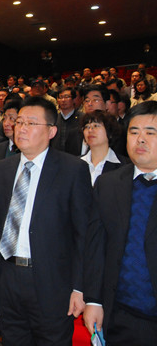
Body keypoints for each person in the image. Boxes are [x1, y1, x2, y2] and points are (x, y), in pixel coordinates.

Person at [0, 96, 92, 345]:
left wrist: (80, 287)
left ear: (51, 131)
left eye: (31, 123)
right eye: (19, 122)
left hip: (52, 281)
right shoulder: (3, 168)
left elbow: (83, 233)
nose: (21, 128)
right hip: (8, 277)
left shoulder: (72, 170)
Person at [83, 100, 157, 345]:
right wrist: (93, 300)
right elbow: (96, 246)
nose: (141, 140)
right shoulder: (109, 184)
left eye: (150, 133)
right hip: (120, 313)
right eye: (134, 132)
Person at [79, 110, 128, 185]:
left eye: (96, 126)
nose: (90, 130)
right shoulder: (75, 164)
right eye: (87, 127)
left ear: (110, 131)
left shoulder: (124, 165)